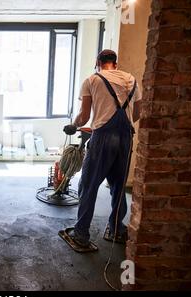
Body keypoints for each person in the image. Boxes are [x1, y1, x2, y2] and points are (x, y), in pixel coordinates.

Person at [62, 49, 142, 249]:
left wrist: (74, 125)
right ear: (115, 63)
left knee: (88, 185)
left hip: (103, 139)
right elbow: (138, 113)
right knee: (118, 186)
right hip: (126, 138)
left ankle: (81, 236)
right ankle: (116, 229)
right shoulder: (131, 80)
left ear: (98, 62)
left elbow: (84, 116)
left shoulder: (92, 80)